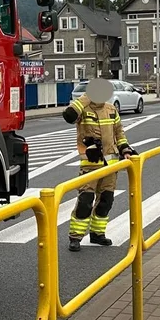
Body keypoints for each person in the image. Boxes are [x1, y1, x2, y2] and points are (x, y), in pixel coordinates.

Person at [62, 82, 137, 252]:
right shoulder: (83, 109)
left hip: (110, 166)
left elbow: (119, 133)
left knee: (106, 201)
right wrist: (85, 98)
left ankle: (97, 233)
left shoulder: (111, 109)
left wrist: (125, 149)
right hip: (90, 165)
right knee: (85, 201)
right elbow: (68, 116)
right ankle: (75, 236)